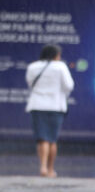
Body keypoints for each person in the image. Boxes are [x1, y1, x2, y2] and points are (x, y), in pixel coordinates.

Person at [25, 44, 74, 178]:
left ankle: (42, 166)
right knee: (52, 139)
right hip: (55, 106)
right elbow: (69, 86)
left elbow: (30, 83)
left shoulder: (33, 67)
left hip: (37, 105)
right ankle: (50, 169)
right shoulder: (60, 67)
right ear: (55, 55)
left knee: (42, 138)